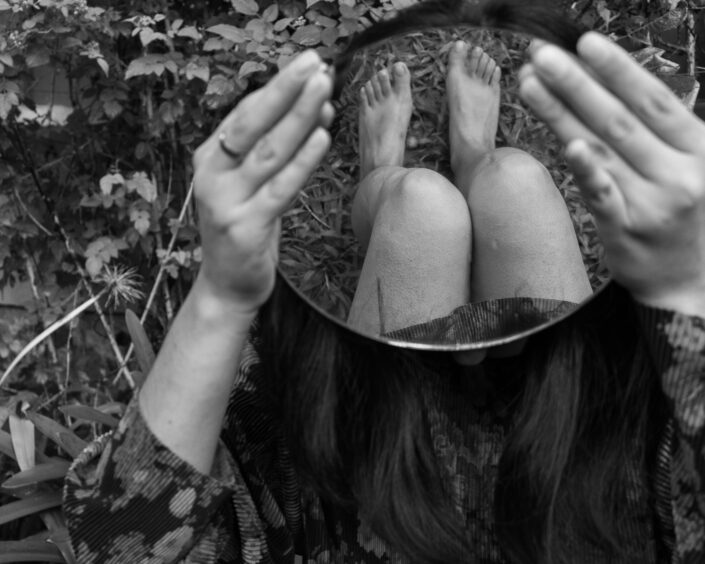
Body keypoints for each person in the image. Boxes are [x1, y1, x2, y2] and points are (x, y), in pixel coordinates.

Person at [63, 32, 705, 564]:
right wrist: (686, 289)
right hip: (575, 411)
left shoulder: (309, 466)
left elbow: (123, 542)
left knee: (420, 203)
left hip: (367, 448)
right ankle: (475, 157)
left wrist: (221, 296)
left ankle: (383, 178)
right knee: (517, 181)